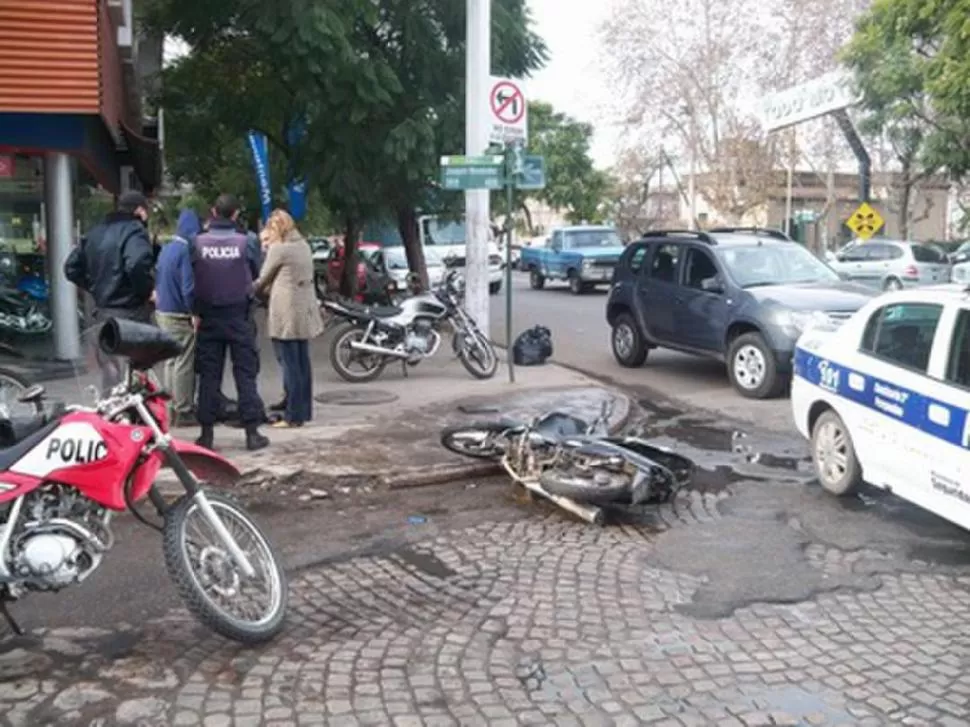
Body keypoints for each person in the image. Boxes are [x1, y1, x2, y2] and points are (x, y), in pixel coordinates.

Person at [192, 193, 269, 451]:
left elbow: (191, 279)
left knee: (209, 377)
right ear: (236, 214)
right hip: (239, 316)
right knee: (245, 375)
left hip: (208, 317)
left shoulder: (197, 242)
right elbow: (256, 273)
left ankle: (206, 435)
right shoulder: (246, 241)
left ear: (214, 212)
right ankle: (252, 433)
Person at [65, 190, 155, 392]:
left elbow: (70, 268)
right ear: (140, 210)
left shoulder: (95, 232)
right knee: (134, 374)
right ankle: (133, 419)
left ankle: (110, 417)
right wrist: (146, 291)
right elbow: (137, 263)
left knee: (110, 371)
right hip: (130, 311)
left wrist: (95, 286)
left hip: (102, 311)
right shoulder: (135, 230)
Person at [255, 209, 323, 428]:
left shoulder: (279, 250)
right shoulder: (303, 246)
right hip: (303, 309)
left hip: (285, 311)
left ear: (279, 229)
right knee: (302, 362)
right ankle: (303, 409)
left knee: (290, 364)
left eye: (272, 229)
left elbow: (262, 279)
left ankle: (292, 416)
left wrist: (246, 290)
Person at [155, 209, 200, 427]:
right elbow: (188, 287)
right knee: (183, 362)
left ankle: (170, 408)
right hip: (178, 313)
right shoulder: (183, 252)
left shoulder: (166, 249)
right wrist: (193, 312)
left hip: (162, 310)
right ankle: (184, 410)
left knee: (170, 362)